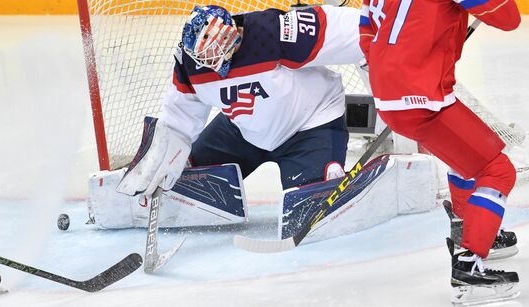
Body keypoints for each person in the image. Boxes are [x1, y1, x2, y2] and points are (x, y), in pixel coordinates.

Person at [358, 0, 521, 304]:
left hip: (391, 92)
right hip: (420, 98)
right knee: (498, 171)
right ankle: (469, 268)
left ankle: (467, 228)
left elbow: (366, 24)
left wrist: (397, 62)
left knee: (466, 156)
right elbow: (509, 18)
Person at [116, 4, 364, 199]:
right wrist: (167, 151)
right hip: (243, 129)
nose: (212, 65)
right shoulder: (189, 63)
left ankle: (325, 177)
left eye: (216, 55)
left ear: (231, 36)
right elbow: (181, 113)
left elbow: (357, 32)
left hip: (310, 125)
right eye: (204, 59)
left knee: (309, 203)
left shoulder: (275, 32)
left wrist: (386, 55)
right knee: (187, 180)